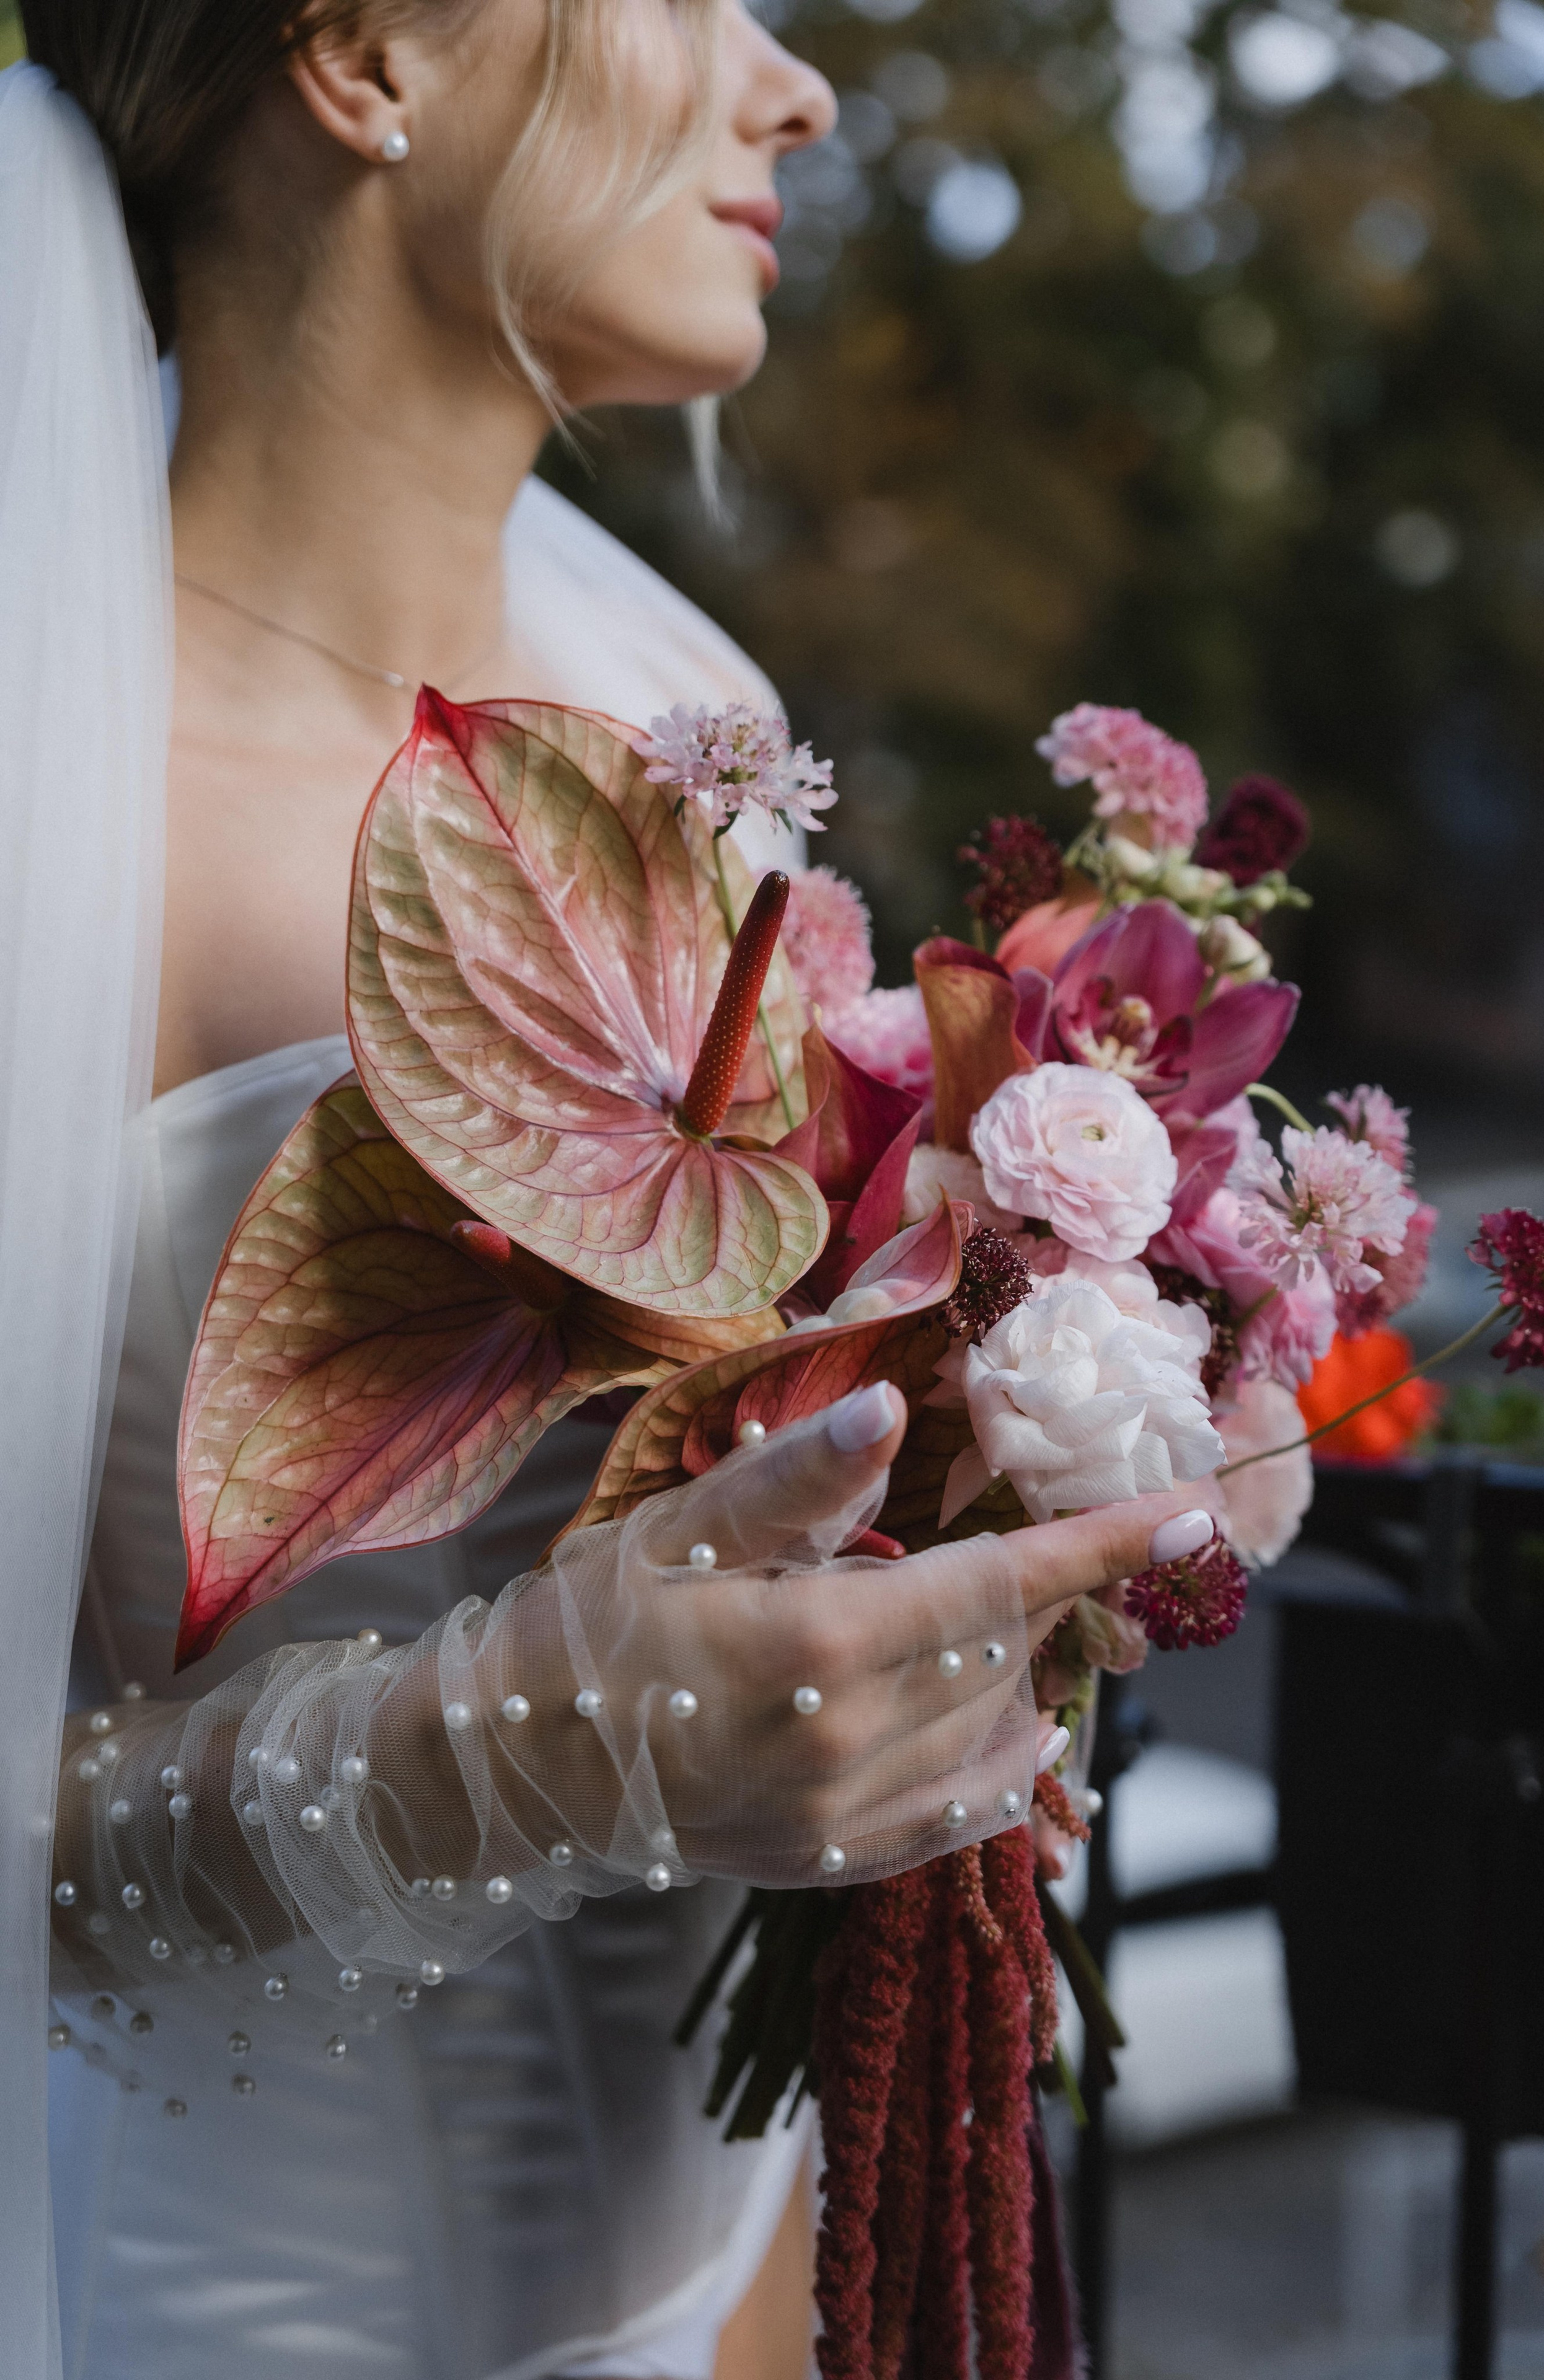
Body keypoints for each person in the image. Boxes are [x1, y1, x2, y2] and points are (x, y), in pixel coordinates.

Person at [0, 5, 1217, 2375]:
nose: (799, 89)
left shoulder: (676, 705)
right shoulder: (57, 818)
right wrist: (545, 1738)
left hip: (756, 2254)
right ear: (362, 58)